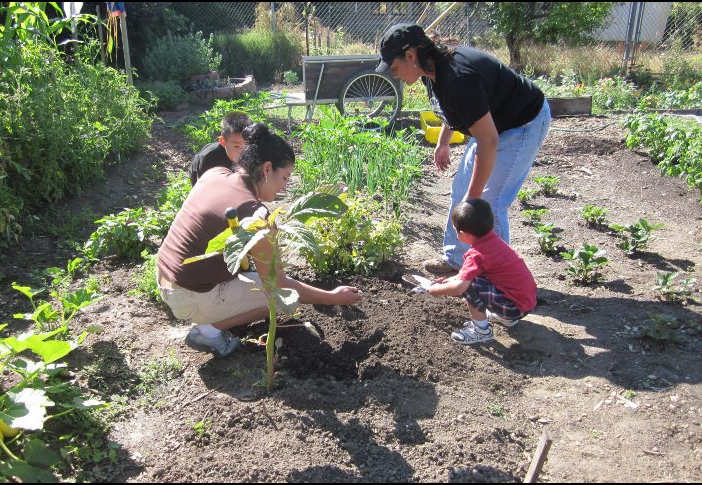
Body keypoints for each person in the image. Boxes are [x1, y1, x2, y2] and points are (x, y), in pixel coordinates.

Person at [157, 122, 362, 357]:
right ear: (266, 169)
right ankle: (208, 331)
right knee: (282, 299)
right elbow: (280, 286)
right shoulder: (255, 215)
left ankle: (218, 311)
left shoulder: (215, 174)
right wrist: (332, 297)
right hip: (187, 295)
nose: (284, 187)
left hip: (166, 275)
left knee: (262, 279)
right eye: (284, 177)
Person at [376, 23, 551, 276]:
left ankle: (498, 279)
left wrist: (475, 197)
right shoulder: (430, 69)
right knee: (461, 191)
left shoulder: (458, 77)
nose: (395, 75)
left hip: (520, 124)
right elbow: (452, 109)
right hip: (493, 126)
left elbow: (488, 141)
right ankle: (458, 261)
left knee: (488, 202)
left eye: (394, 67)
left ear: (410, 56)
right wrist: (443, 141)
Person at [427, 198, 537, 345]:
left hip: (514, 307)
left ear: (462, 233)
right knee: (473, 279)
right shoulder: (494, 241)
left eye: (455, 231)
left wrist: (437, 289)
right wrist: (450, 280)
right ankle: (507, 319)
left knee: (471, 286)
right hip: (525, 301)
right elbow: (467, 275)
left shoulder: (476, 254)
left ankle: (481, 331)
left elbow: (460, 288)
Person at [188, 111, 253, 186]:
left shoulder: (254, 152)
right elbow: (203, 190)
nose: (243, 152)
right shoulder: (208, 158)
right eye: (236, 146)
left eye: (247, 145)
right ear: (223, 142)